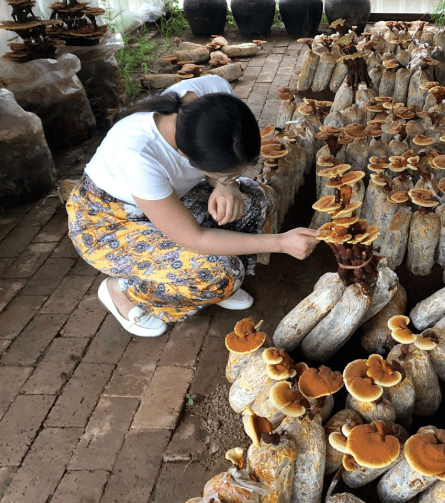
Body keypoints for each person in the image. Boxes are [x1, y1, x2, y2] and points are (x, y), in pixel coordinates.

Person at [66, 76, 319, 337]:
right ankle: (124, 291)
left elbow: (228, 168)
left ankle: (215, 279)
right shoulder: (136, 153)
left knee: (252, 197)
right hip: (108, 224)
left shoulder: (212, 92)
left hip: (166, 200)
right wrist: (279, 243)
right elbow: (194, 238)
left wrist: (226, 183)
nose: (231, 175)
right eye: (224, 171)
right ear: (186, 158)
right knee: (219, 274)